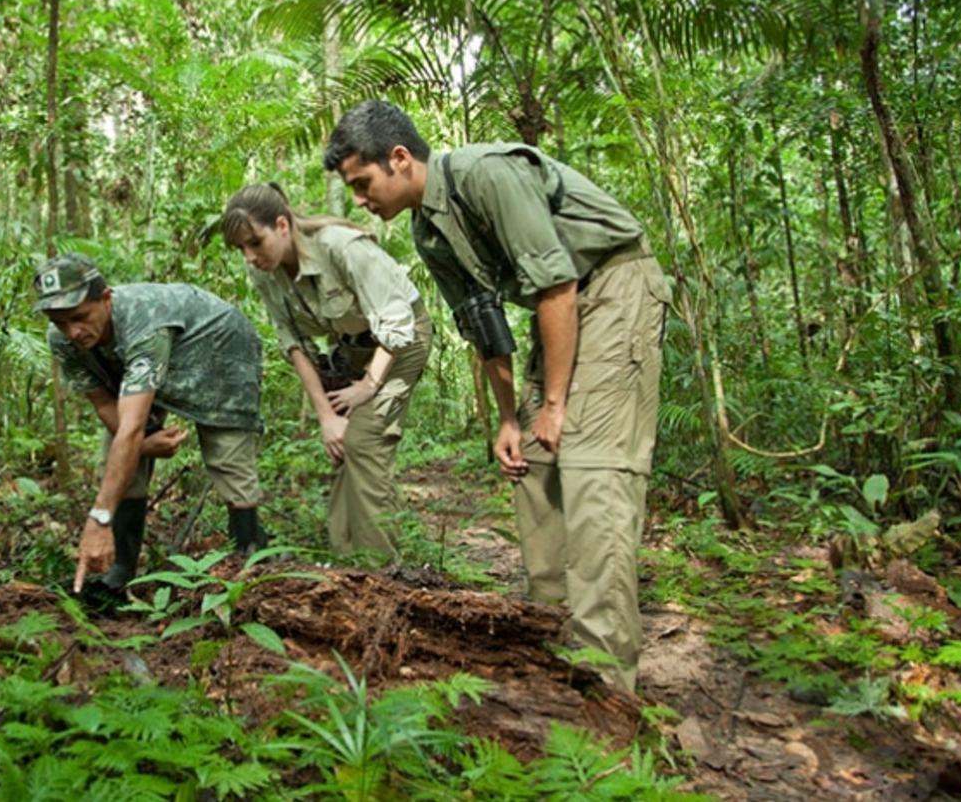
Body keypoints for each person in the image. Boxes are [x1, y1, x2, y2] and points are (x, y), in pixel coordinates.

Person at [322, 100, 671, 692]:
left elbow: (556, 284)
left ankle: (608, 690)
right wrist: (512, 418)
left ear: (400, 159)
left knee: (592, 472)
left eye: (363, 182)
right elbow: (482, 324)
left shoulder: (485, 174)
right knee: (532, 464)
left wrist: (556, 404)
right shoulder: (428, 231)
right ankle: (553, 641)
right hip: (557, 311)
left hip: (613, 288)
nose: (359, 200)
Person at [33, 252, 269, 596]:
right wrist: (143, 444)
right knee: (116, 450)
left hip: (218, 344)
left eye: (81, 317)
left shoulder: (144, 323)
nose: (73, 331)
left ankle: (248, 554)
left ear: (106, 299)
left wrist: (99, 518)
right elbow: (104, 404)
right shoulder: (63, 341)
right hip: (143, 361)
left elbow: (130, 426)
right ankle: (121, 571)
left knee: (225, 452)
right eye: (60, 322)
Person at [221, 182, 432, 561]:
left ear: (282, 226)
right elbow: (295, 345)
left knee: (364, 439)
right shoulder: (263, 272)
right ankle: (346, 562)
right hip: (349, 349)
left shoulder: (340, 246)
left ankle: (382, 571)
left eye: (255, 242)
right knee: (340, 446)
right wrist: (326, 416)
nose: (250, 256)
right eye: (241, 248)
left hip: (401, 340)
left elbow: (396, 322)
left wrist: (369, 386)